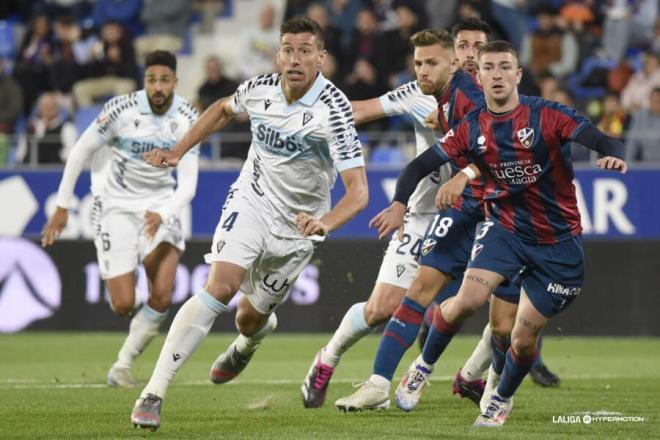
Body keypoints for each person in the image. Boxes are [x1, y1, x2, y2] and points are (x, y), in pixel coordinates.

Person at [360, 40, 626, 426]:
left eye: (505, 67)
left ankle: (501, 398)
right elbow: (418, 166)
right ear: (478, 76)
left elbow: (601, 138)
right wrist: (400, 203)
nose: (497, 74)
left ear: (518, 75)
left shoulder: (548, 116)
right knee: (467, 300)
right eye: (489, 68)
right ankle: (422, 366)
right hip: (505, 229)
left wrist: (610, 151)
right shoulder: (471, 128)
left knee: (517, 338)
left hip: (558, 244)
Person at [130, 17, 368, 431]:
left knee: (249, 318)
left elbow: (359, 192)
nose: (295, 59)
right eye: (288, 49)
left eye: (305, 50)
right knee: (219, 287)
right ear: (278, 54)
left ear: (321, 58)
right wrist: (177, 150)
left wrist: (324, 222)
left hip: (298, 228)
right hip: (252, 202)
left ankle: (246, 343)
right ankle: (153, 392)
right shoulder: (259, 90)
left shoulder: (335, 112)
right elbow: (223, 109)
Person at [42, 50, 199, 389]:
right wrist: (63, 205)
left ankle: (123, 365)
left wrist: (164, 212)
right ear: (145, 81)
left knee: (162, 294)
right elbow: (81, 151)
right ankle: (123, 298)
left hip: (160, 207)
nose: (158, 87)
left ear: (175, 82)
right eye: (152, 79)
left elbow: (188, 185)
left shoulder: (188, 117)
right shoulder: (120, 110)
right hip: (116, 206)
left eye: (164, 80)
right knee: (123, 303)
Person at [16, 92, 77, 164]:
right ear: (39, 108)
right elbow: (21, 153)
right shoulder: (31, 127)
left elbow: (70, 153)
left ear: (57, 108)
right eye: (45, 106)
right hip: (29, 170)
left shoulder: (67, 128)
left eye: (51, 106)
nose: (48, 109)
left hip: (53, 171)